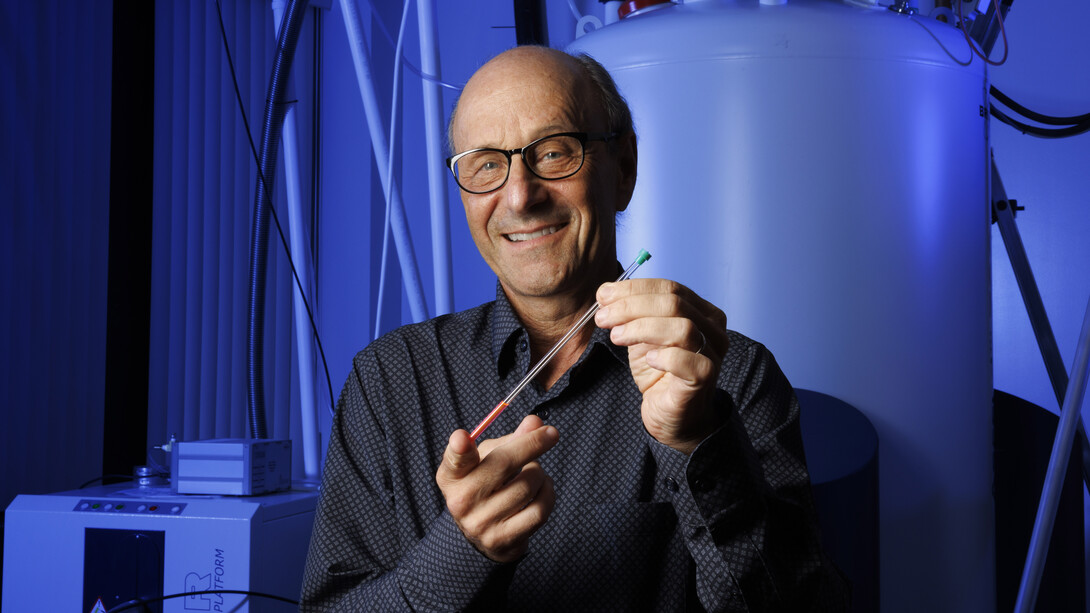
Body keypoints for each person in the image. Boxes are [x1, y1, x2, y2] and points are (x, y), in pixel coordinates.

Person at [300, 46, 848, 611]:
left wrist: (698, 442)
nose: (520, 196)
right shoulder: (390, 380)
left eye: (556, 152)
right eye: (486, 164)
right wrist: (460, 551)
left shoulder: (729, 373)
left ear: (624, 169)